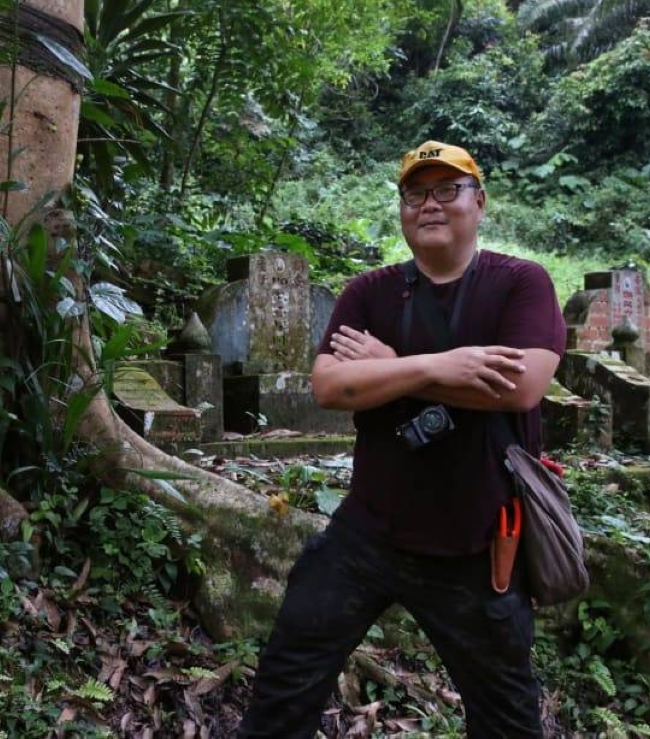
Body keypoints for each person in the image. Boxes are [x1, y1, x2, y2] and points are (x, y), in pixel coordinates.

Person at [238, 140, 566, 739]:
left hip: (478, 543)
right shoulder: (371, 293)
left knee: (506, 716)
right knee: (287, 677)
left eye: (448, 189)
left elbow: (521, 388)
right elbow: (332, 387)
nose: (430, 204)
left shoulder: (520, 284)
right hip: (370, 531)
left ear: (479, 201)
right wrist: (437, 367)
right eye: (415, 193)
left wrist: (389, 367)